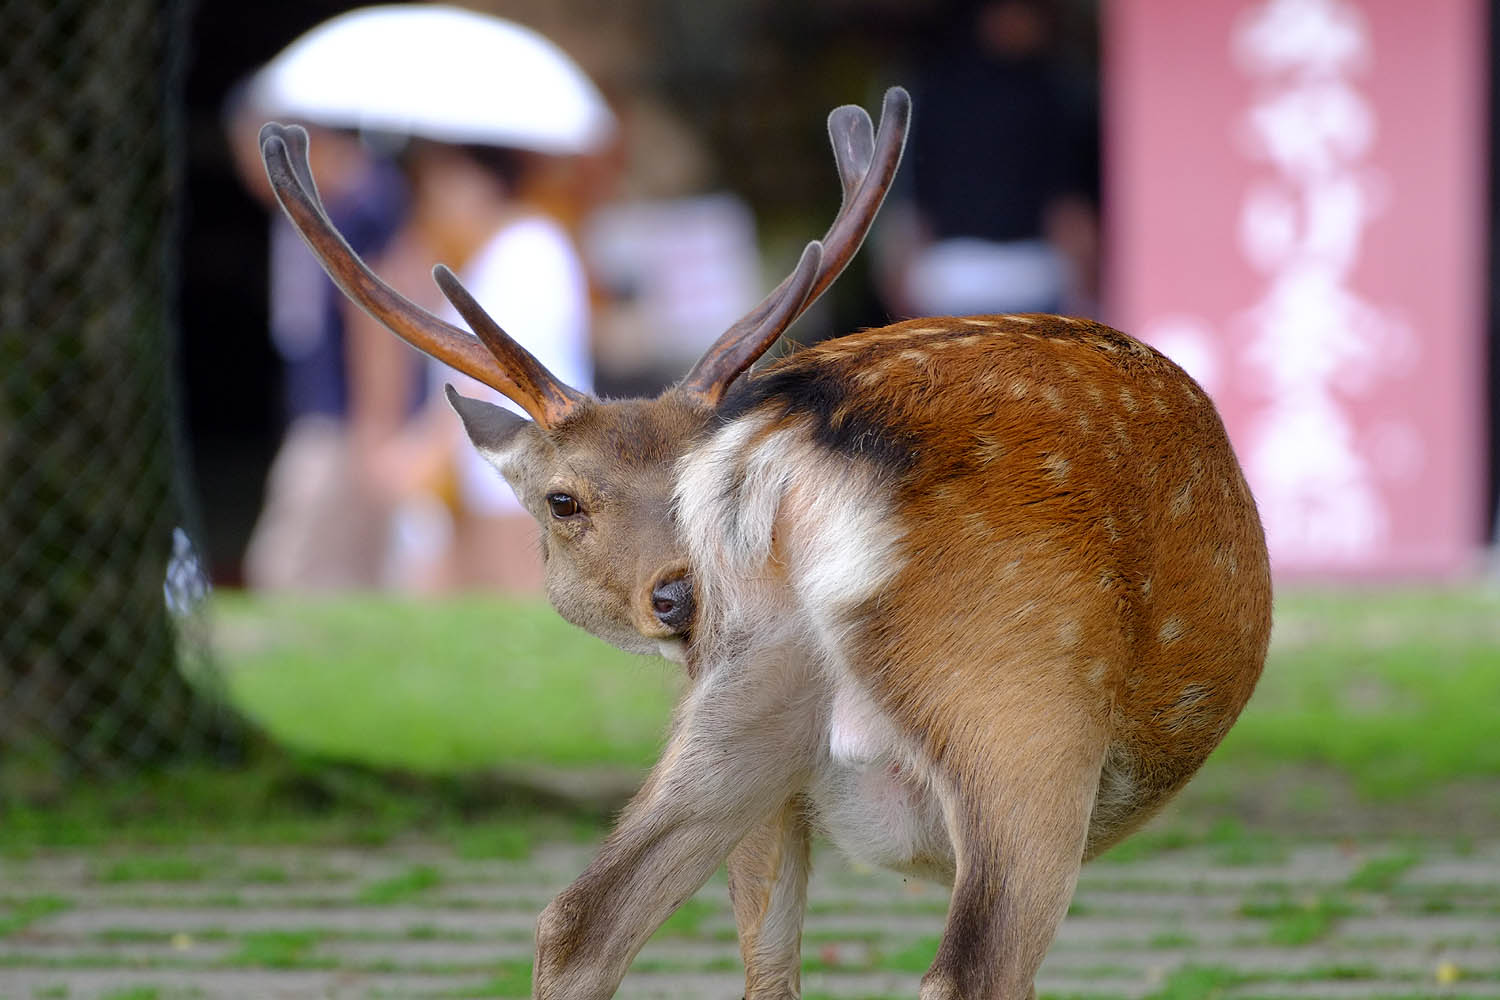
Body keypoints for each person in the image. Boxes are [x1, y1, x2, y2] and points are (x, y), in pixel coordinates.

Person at [884, 0, 1099, 319]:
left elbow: (909, 204)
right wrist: (1086, 294)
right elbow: (1068, 211)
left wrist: (901, 280)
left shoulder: (931, 88)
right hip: (1028, 279)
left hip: (946, 280)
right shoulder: (1050, 93)